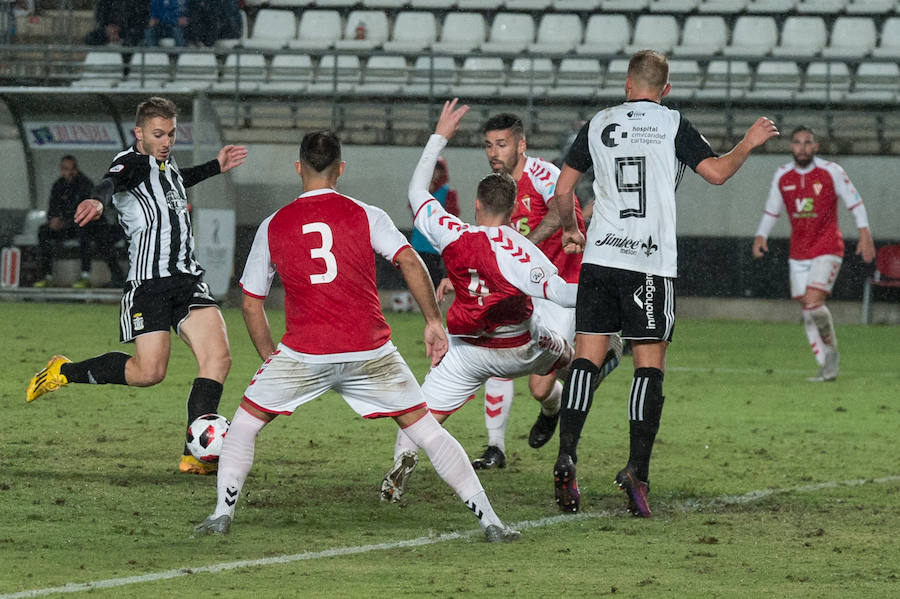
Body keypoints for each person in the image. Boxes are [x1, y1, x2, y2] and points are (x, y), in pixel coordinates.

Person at [193, 130, 519, 543]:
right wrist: (434, 321)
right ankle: (490, 521)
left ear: (298, 168)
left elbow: (251, 303)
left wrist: (269, 358)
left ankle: (222, 514)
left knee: (243, 426)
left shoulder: (273, 225)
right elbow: (410, 261)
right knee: (427, 431)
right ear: (340, 169)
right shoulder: (367, 214)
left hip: (303, 353)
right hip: (371, 350)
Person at [553, 50, 779, 516]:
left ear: (627, 85)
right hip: (648, 263)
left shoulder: (599, 123)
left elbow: (562, 190)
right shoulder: (672, 124)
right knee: (648, 364)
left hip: (599, 261)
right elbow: (715, 173)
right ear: (666, 89)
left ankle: (567, 455)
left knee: (586, 360)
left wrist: (572, 230)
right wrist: (749, 142)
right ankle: (636, 470)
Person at [25, 97, 247, 476]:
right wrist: (98, 198)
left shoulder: (166, 163)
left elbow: (177, 178)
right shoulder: (130, 161)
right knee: (150, 373)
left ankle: (194, 455)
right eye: (158, 134)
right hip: (150, 284)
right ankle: (64, 371)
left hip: (188, 279)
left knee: (219, 359)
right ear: (139, 133)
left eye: (172, 134)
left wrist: (216, 166)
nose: (166, 141)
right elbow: (112, 181)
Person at [380, 99, 581, 504]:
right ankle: (586, 360)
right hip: (522, 344)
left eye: (501, 144)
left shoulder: (453, 231)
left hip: (468, 350)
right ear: (512, 211)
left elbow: (417, 191)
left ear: (475, 205)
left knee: (419, 417)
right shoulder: (519, 251)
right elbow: (560, 291)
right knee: (566, 357)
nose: (494, 152)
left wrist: (439, 137)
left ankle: (398, 470)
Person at [451, 113, 620, 471]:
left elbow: (564, 210)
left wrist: (522, 246)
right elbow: (482, 235)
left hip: (558, 286)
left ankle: (563, 396)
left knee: (541, 387)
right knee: (496, 351)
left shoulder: (544, 174)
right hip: (518, 287)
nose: (494, 152)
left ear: (521, 145)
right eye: (488, 145)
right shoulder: (493, 186)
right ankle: (495, 447)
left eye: (502, 144)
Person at [752, 126, 875, 382]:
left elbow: (855, 201)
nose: (802, 148)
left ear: (816, 147)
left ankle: (831, 357)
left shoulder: (831, 171)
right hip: (798, 253)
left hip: (828, 247)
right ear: (791, 147)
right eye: (797, 143)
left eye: (808, 143)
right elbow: (772, 210)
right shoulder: (783, 176)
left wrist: (865, 235)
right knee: (808, 310)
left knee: (812, 301)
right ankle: (826, 363)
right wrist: (761, 235)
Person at [33, 155, 126, 289]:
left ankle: (85, 276)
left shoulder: (84, 184)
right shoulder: (58, 185)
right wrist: (53, 219)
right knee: (44, 231)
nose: (68, 172)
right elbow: (52, 208)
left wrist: (66, 221)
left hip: (86, 225)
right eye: (64, 169)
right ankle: (46, 276)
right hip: (67, 227)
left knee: (86, 231)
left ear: (75, 169)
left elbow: (85, 211)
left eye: (70, 169)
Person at [410, 156, 459, 289]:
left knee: (435, 281)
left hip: (437, 245)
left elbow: (453, 216)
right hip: (419, 243)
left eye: (436, 170)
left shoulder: (448, 192)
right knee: (418, 280)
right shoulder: (420, 191)